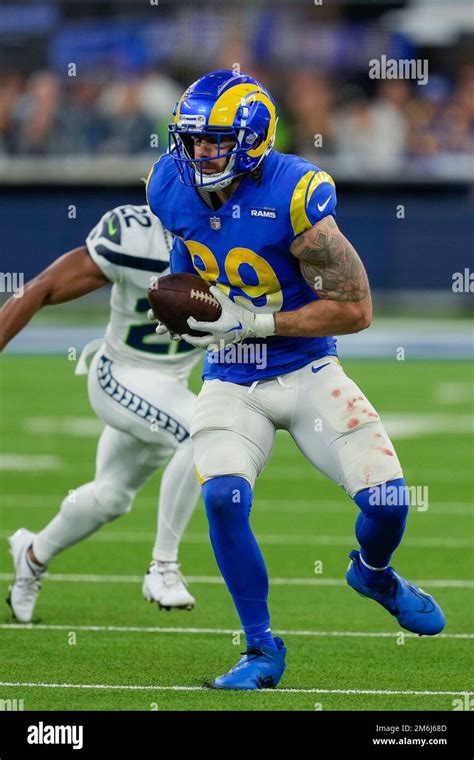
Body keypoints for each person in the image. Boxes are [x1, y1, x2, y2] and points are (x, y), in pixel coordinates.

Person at [146, 70, 445, 690]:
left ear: (252, 139)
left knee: (388, 504)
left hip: (305, 366)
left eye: (215, 141)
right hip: (230, 379)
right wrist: (189, 311)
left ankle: (374, 572)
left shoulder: (294, 192)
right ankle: (260, 650)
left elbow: (356, 308)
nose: (198, 153)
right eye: (191, 140)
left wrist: (251, 320)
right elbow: (186, 261)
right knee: (223, 497)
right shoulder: (169, 186)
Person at [1, 203, 201, 622]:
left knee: (111, 497)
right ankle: (163, 567)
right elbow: (40, 288)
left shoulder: (241, 236)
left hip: (171, 386)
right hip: (121, 375)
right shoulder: (134, 232)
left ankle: (32, 556)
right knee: (204, 432)